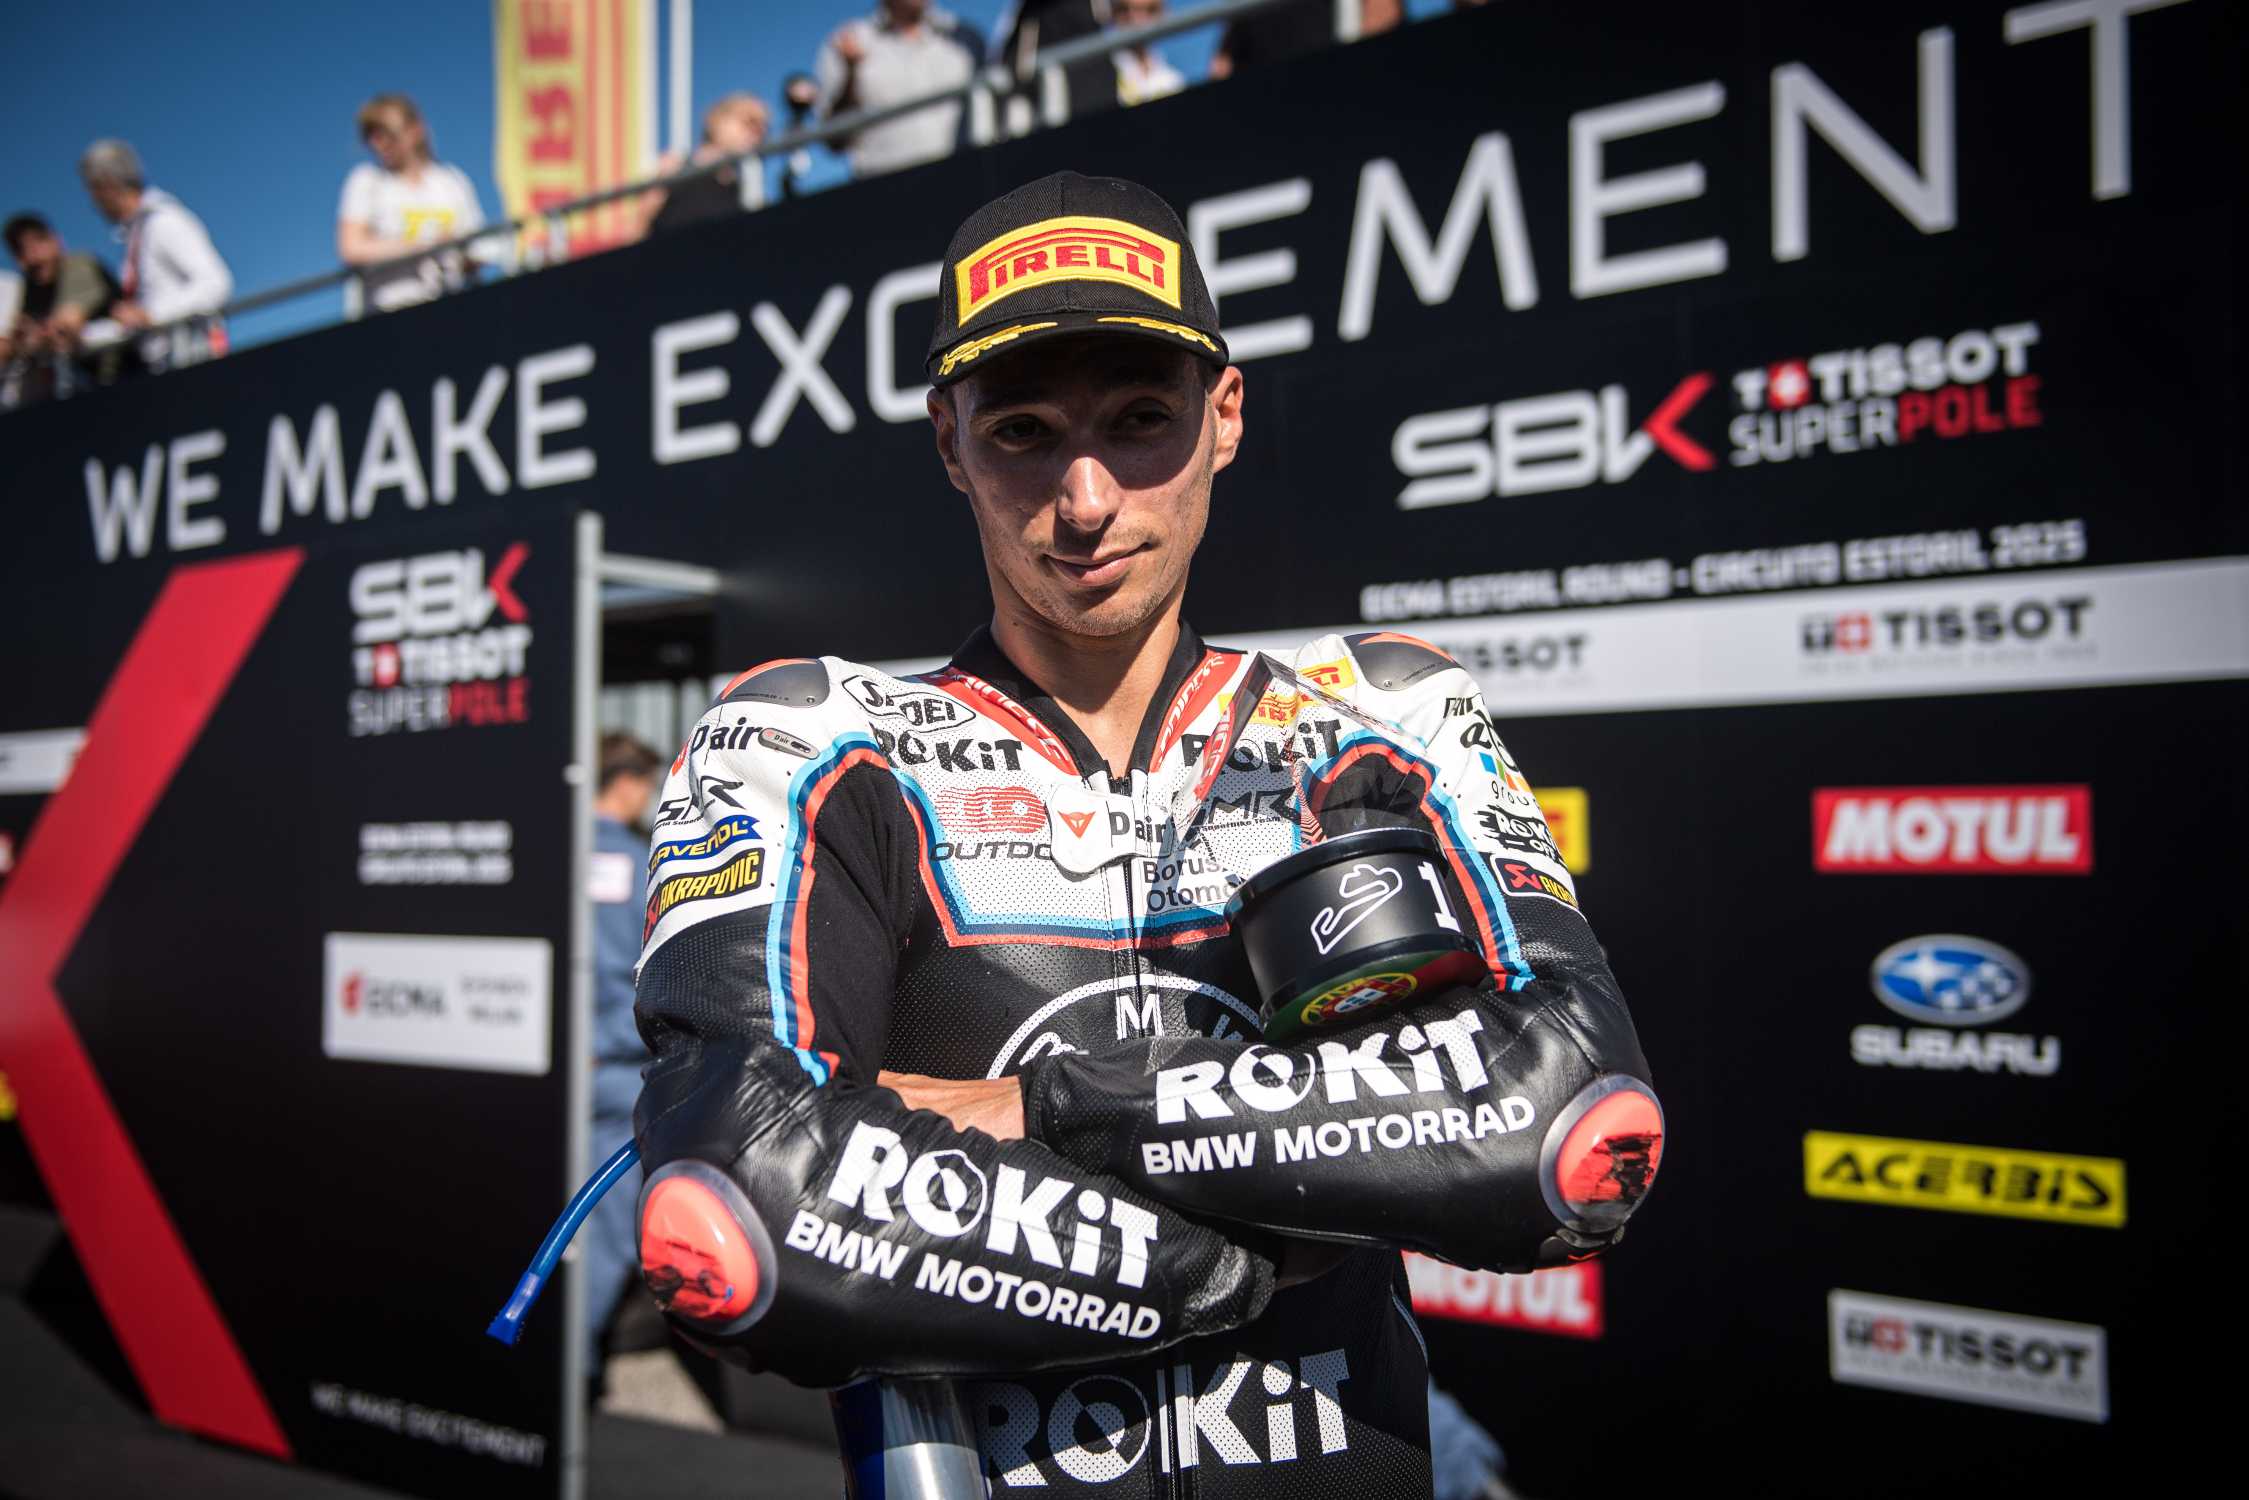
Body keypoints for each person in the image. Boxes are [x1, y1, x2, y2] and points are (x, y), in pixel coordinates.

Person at [627, 171, 1663, 1492]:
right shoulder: (809, 741)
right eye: (1021, 431)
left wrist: (1046, 1108)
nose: (1085, 497)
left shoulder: (1387, 714)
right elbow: (736, 1203)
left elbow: (1575, 1122)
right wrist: (1262, 1238)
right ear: (948, 442)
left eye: (1137, 421)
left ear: (1222, 416)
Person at [585, 732, 663, 1394]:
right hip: (613, 1067)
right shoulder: (641, 866)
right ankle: (573, 1371)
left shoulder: (547, 851)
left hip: (549, 1063)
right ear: (630, 783)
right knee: (605, 1231)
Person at [77, 140, 231, 371]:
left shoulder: (163, 222)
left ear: (108, 184)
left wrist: (152, 316)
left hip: (194, 363)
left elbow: (216, 283)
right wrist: (82, 337)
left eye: (93, 191)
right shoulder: (137, 235)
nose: (93, 203)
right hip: (164, 368)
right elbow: (135, 321)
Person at [337, 94, 489, 313]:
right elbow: (352, 248)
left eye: (387, 133)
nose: (378, 143)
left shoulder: (451, 181)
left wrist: (466, 255)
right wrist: (425, 244)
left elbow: (477, 245)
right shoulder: (367, 180)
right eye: (372, 135)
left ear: (416, 129)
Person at [814, 0, 985, 177]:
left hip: (962, 179)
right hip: (882, 186)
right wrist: (851, 74)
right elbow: (833, 141)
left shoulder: (965, 38)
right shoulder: (850, 39)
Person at [4, 214, 127, 401]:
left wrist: (36, 338)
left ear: (56, 241)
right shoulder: (27, 290)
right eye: (20, 250)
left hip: (118, 377)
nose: (32, 256)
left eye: (38, 242)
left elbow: (67, 323)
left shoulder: (79, 265)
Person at [645, 93, 772, 237]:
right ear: (716, 120)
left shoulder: (742, 194)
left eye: (763, 128)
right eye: (749, 121)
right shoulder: (674, 169)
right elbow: (639, 227)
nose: (758, 132)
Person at [1110, 0, 1185, 106]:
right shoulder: (1100, 72)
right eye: (1124, 10)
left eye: (1148, 10)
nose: (1135, 18)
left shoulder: (1173, 81)